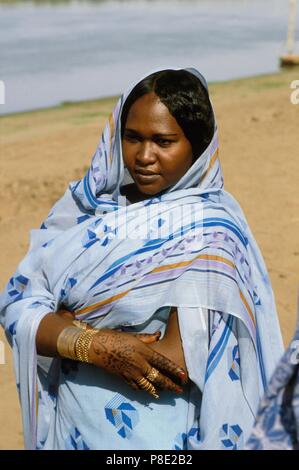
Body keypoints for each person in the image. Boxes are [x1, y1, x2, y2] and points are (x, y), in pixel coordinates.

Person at [0, 67, 284, 450]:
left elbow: (174, 363)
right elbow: (18, 306)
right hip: (73, 427)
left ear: (197, 148)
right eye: (132, 138)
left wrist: (70, 330)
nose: (144, 156)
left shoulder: (208, 229)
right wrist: (99, 346)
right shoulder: (85, 208)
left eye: (164, 142)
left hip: (155, 436)